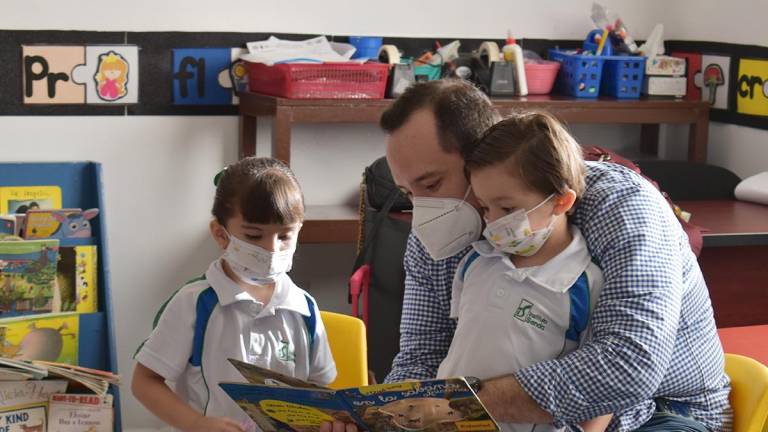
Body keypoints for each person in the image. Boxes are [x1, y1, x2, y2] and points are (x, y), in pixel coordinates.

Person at [376, 79, 731, 432]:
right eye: (408, 192)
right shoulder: (436, 236)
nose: (423, 209)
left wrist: (458, 406)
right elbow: (421, 357)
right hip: (499, 418)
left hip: (661, 412)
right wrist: (384, 417)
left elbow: (627, 366)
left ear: (481, 158)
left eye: (432, 184)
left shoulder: (622, 206)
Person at [132, 157, 336, 432]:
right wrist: (197, 424)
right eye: (254, 236)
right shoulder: (194, 303)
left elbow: (320, 388)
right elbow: (145, 382)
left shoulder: (304, 308)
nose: (271, 250)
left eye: (285, 236)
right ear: (220, 233)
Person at [436, 113, 610, 432]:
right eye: (486, 207)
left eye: (507, 209)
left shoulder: (584, 285)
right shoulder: (475, 263)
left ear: (561, 201)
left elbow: (600, 390)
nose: (492, 222)